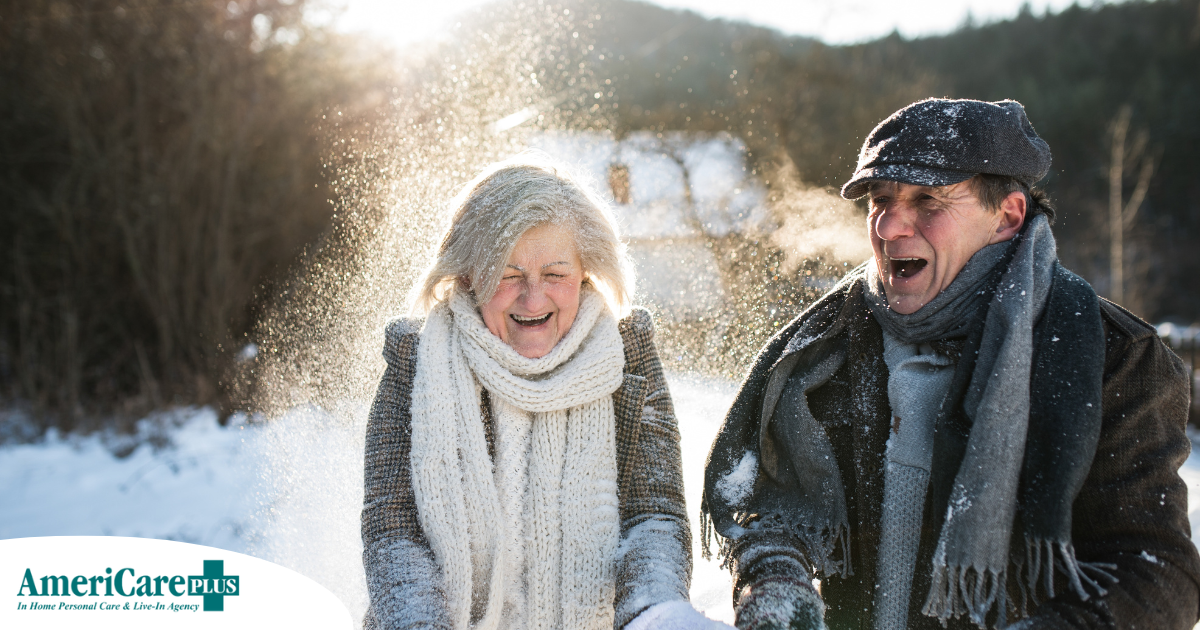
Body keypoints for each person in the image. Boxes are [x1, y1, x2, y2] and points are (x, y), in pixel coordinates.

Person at [701, 98, 1200, 630]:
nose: (890, 226)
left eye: (928, 201)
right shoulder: (827, 346)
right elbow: (773, 510)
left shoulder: (1114, 357)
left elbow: (1156, 572)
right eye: (880, 199)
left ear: (1007, 215)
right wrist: (777, 586)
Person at [361, 155, 728, 630]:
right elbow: (393, 532)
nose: (533, 299)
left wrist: (651, 615)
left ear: (585, 271)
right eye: (508, 275)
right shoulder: (417, 361)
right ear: (469, 275)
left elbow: (653, 517)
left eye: (554, 274)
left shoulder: (626, 354)